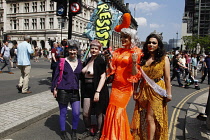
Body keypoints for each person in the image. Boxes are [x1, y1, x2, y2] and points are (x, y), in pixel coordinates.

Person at [100, 13, 142, 140]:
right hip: (116, 86)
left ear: (132, 39)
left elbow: (135, 75)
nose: (123, 40)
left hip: (125, 88)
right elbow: (112, 69)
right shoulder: (118, 51)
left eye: (126, 38)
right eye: (122, 37)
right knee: (112, 110)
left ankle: (118, 137)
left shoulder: (136, 52)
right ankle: (111, 135)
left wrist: (134, 62)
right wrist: (108, 60)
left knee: (118, 111)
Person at [130, 31, 172, 140]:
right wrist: (134, 63)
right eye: (149, 42)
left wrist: (169, 93)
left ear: (158, 45)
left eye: (154, 43)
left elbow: (167, 78)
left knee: (150, 118)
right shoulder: (143, 58)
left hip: (157, 90)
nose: (151, 45)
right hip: (144, 90)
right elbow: (136, 75)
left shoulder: (164, 58)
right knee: (143, 116)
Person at [51, 40, 82, 140]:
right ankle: (63, 132)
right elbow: (55, 76)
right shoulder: (62, 61)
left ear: (77, 51)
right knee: (63, 112)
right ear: (67, 50)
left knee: (76, 112)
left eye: (74, 50)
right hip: (63, 89)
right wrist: (54, 89)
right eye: (71, 50)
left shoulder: (80, 62)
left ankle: (74, 131)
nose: (72, 52)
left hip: (75, 90)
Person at [79, 40, 109, 140]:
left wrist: (97, 92)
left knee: (98, 112)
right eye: (92, 48)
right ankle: (88, 129)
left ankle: (99, 132)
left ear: (99, 50)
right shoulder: (87, 60)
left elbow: (103, 77)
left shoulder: (100, 60)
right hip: (86, 89)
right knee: (85, 113)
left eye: (96, 48)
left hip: (96, 88)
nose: (93, 50)